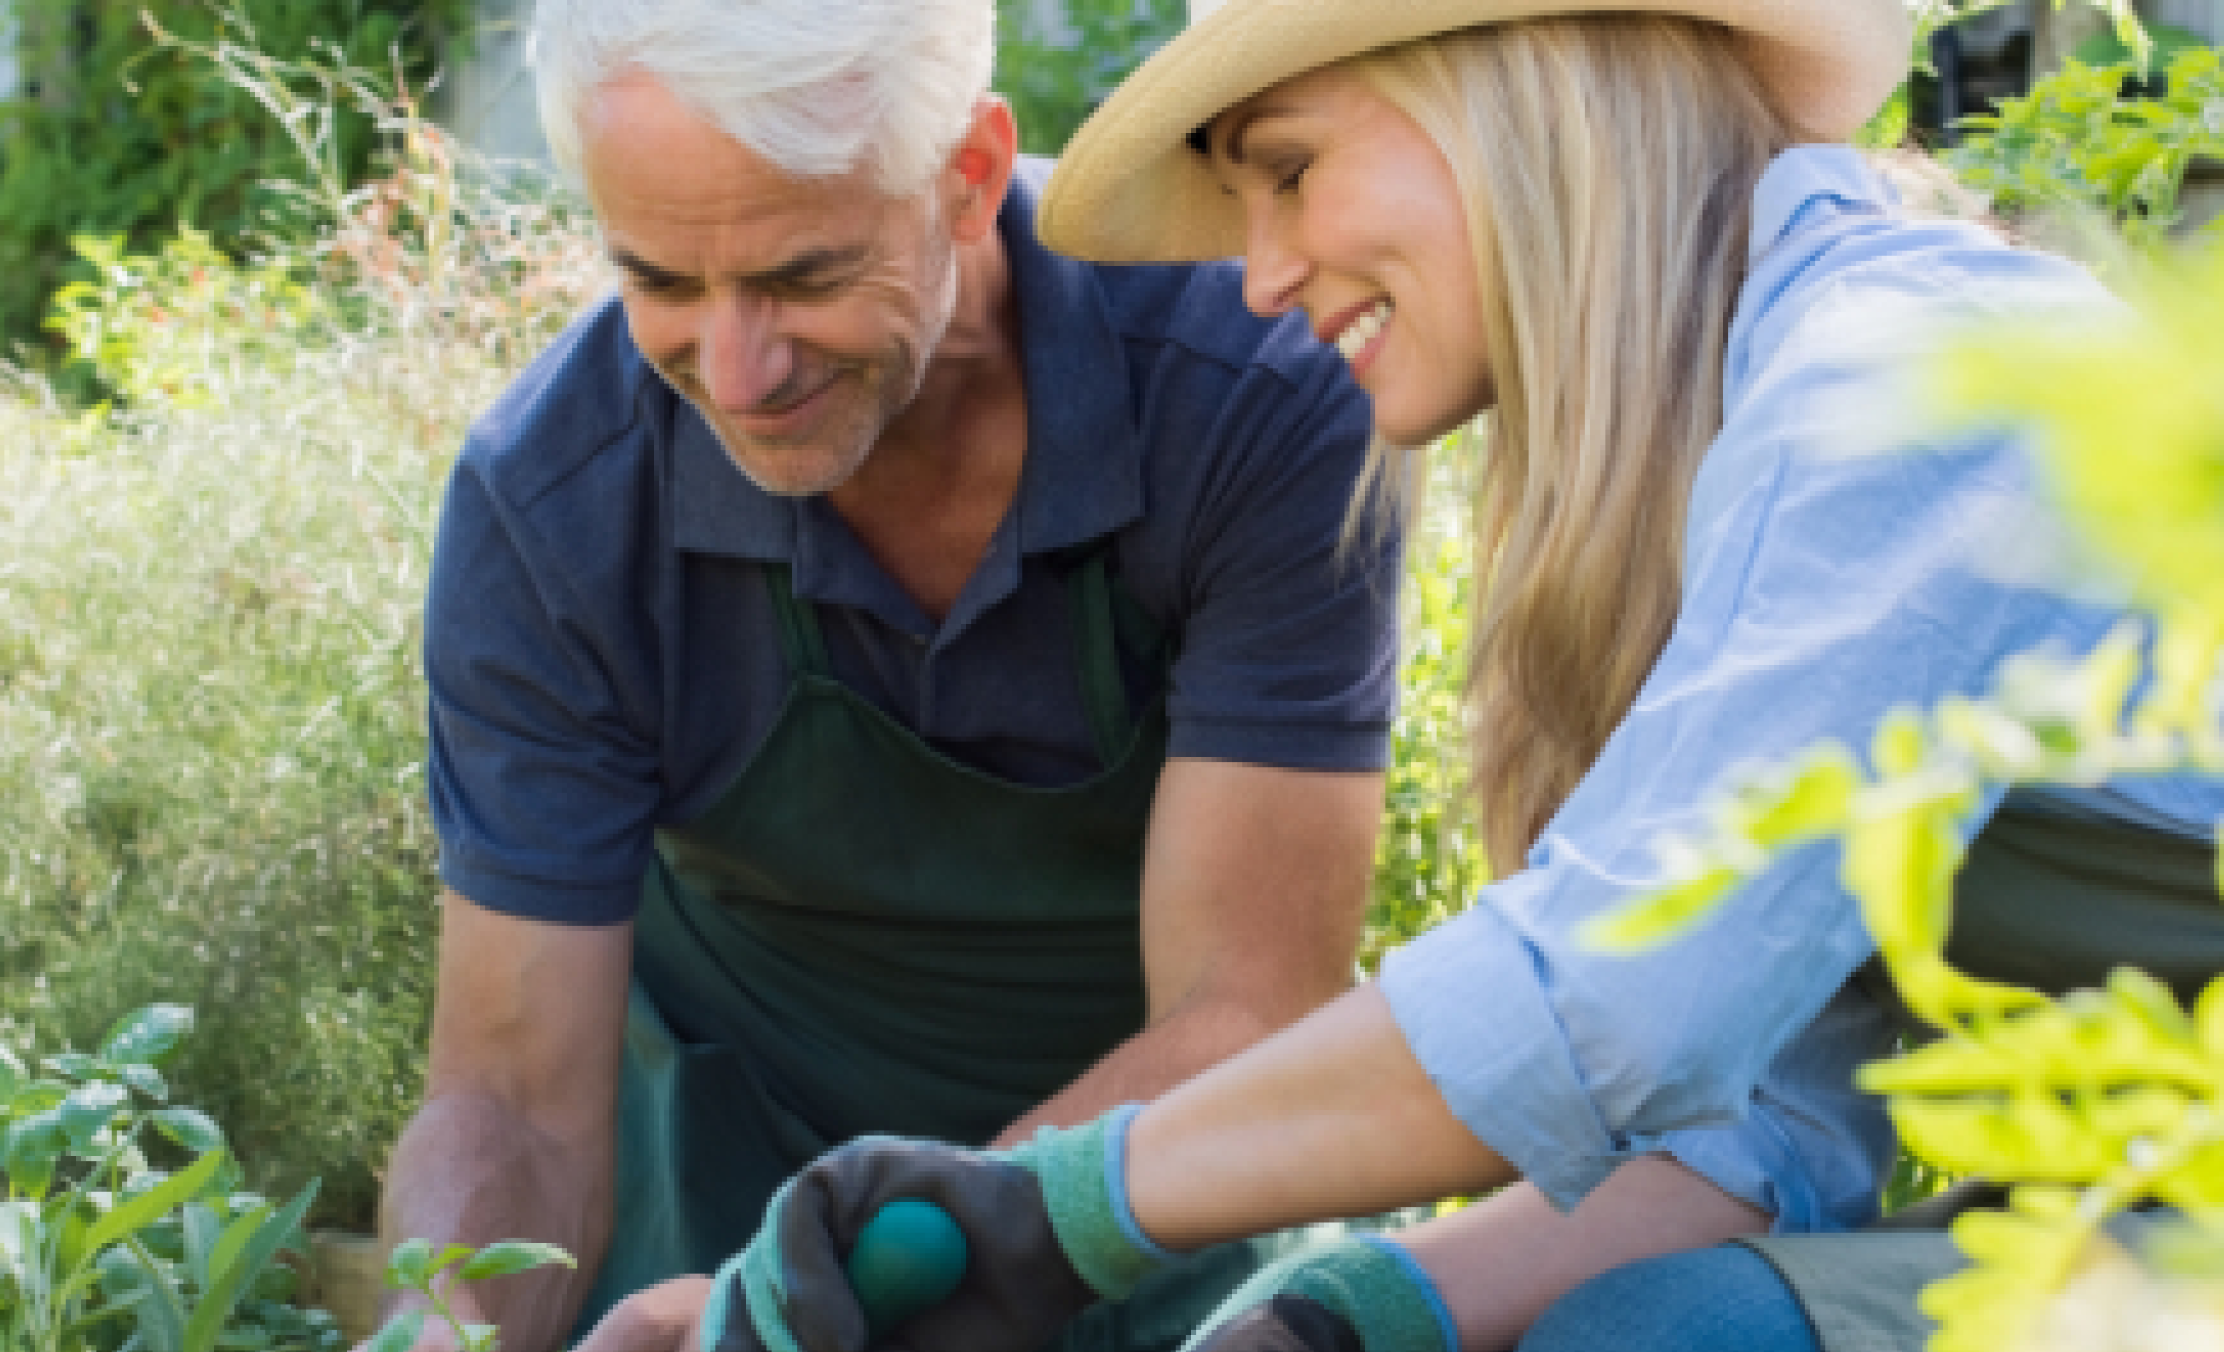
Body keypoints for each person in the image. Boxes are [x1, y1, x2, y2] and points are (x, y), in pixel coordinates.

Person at [571, 1, 2224, 1351]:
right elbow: (1765, 1133)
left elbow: (1606, 1003)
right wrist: (1347, 1318)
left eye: (1288, 172)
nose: (1262, 273)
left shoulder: (1907, 385)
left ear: (1516, 95)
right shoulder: (1725, 454)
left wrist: (1063, 1210)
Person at [375, 0, 1418, 1348]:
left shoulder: (1245, 392)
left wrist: (844, 1293)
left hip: (1171, 1210)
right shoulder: (557, 504)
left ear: (971, 175)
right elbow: (514, 1102)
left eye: (802, 276)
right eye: (663, 284)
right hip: (723, 1230)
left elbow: (1245, 1010)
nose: (737, 372)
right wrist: (434, 1336)